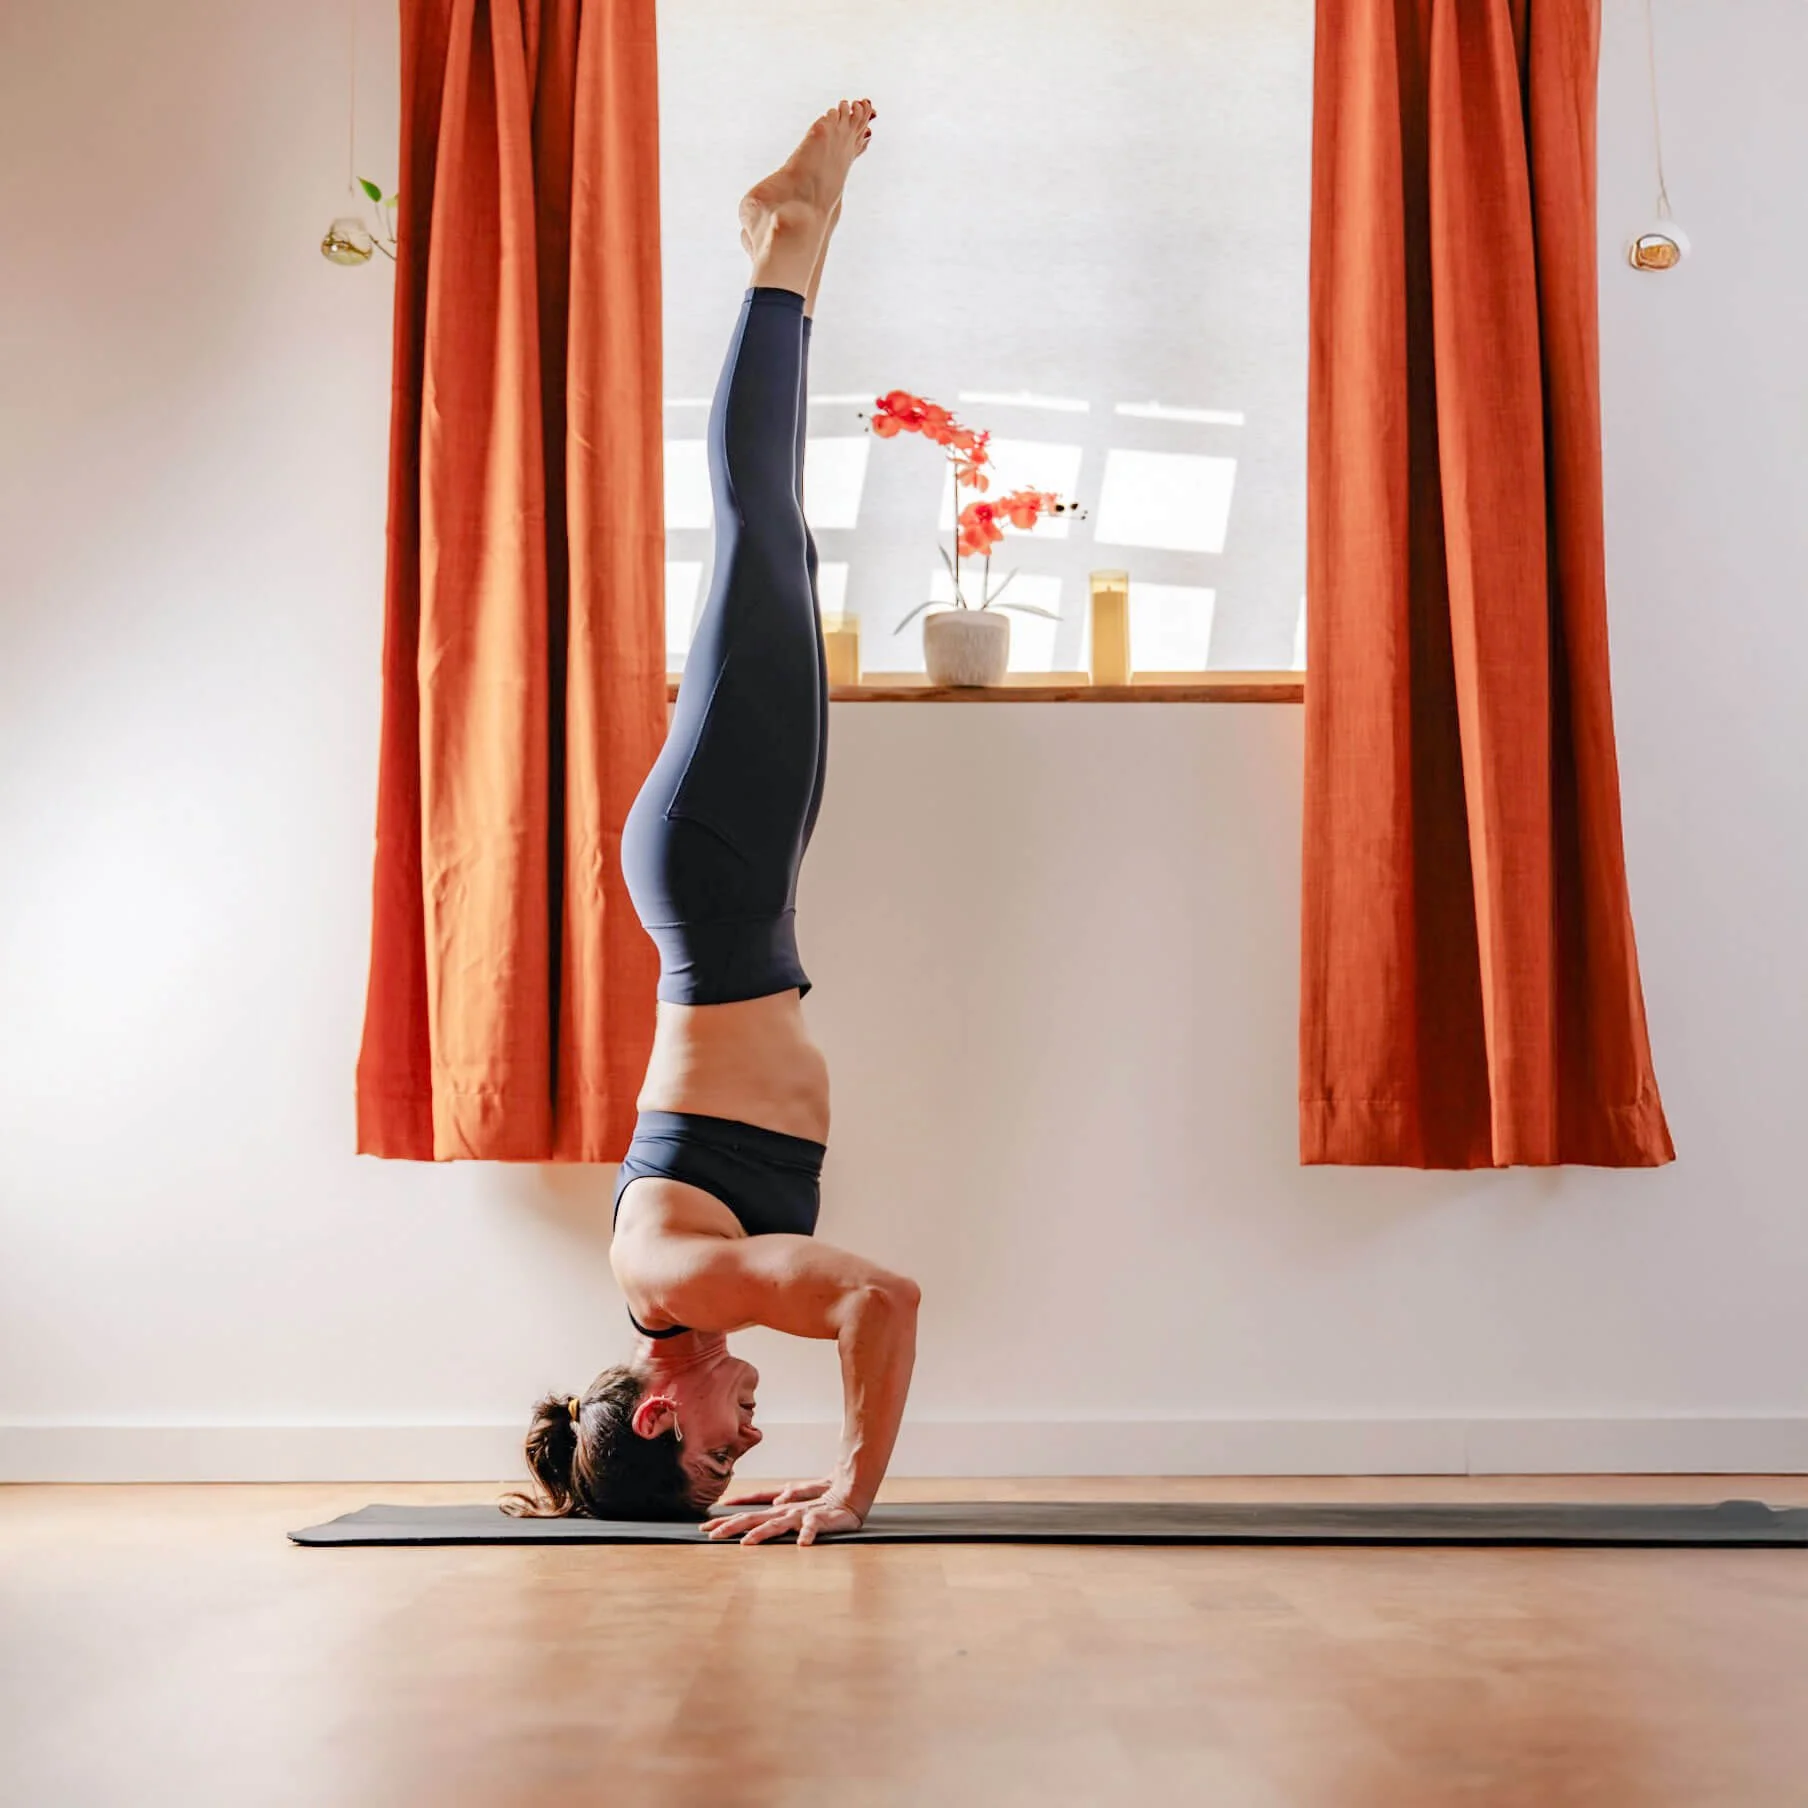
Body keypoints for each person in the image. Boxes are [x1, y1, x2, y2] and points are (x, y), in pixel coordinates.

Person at [505, 99, 919, 1546]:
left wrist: (854, 1493)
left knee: (762, 524)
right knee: (774, 537)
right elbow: (860, 1295)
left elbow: (883, 1299)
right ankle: (793, 247)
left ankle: (782, 243)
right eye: (753, 1468)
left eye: (717, 1458)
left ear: (662, 1411)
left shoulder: (687, 1281)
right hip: (735, 886)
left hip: (722, 875)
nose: (753, 1444)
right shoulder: (683, 1277)